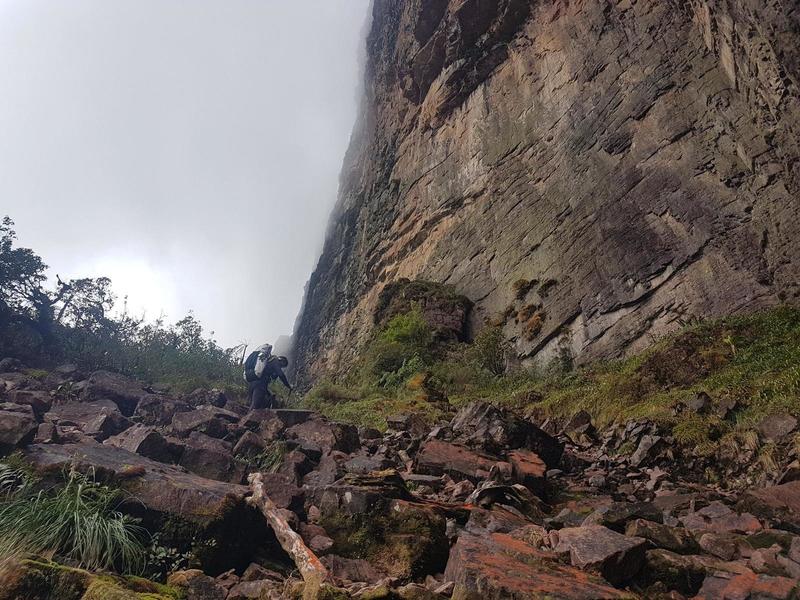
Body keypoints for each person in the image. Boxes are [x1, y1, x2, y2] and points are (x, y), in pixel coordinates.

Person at [243, 344, 292, 409]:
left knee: (263, 403)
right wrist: (288, 386)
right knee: (255, 406)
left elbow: (273, 377)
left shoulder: (268, 361)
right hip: (260, 384)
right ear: (281, 360)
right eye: (282, 365)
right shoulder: (275, 361)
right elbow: (281, 375)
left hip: (253, 382)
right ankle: (247, 418)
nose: (281, 367)